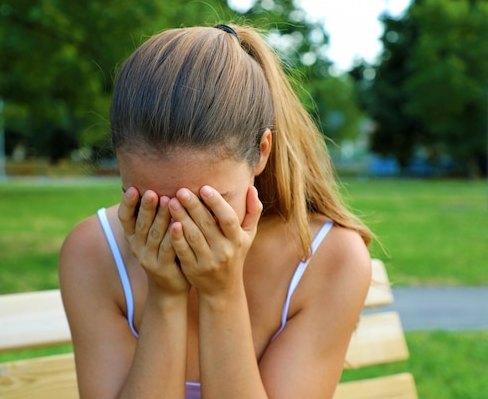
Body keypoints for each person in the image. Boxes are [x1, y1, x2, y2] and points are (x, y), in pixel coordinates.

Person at [59, 23, 373, 399]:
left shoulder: (330, 259)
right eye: (146, 201)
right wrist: (165, 296)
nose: (178, 225)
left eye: (207, 202)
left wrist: (221, 293)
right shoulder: (93, 252)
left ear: (261, 151)